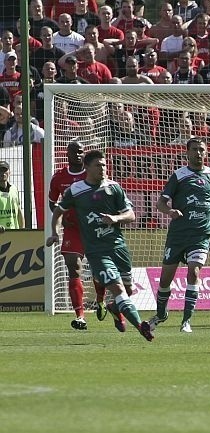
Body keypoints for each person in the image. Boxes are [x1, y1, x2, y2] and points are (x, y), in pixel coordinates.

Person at [46, 150, 154, 342]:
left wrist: (115, 218)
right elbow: (58, 211)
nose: (103, 168)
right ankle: (140, 326)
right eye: (98, 165)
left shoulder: (114, 188)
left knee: (127, 291)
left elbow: (131, 215)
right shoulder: (76, 190)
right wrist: (54, 232)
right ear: (87, 168)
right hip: (97, 251)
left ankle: (113, 308)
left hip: (118, 248)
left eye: (104, 165)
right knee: (119, 290)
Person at [149, 138, 210, 333]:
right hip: (178, 235)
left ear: (207, 152)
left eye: (202, 149)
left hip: (201, 234)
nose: (198, 153)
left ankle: (186, 320)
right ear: (187, 152)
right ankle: (161, 314)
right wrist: (170, 212)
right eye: (194, 150)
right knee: (166, 280)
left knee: (194, 272)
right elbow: (160, 203)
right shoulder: (179, 176)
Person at [47, 141, 109, 330]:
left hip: (93, 229)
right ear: (67, 154)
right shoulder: (59, 177)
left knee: (99, 272)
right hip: (72, 229)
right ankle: (80, 316)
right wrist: (62, 218)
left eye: (82, 152)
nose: (79, 154)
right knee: (74, 268)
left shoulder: (91, 174)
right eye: (75, 151)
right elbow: (52, 202)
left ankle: (100, 300)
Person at [0, 160, 23, 232]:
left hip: (14, 233)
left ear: (9, 172)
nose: (3, 173)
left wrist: (22, 230)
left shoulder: (14, 189)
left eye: (5, 170)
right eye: (0, 171)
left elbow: (18, 211)